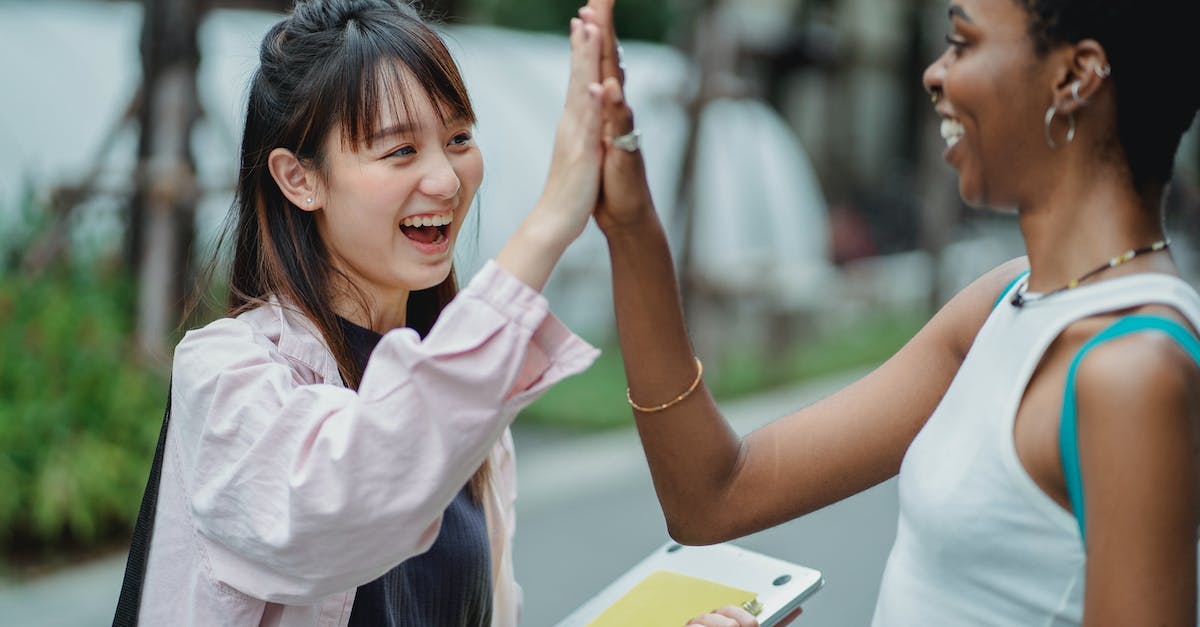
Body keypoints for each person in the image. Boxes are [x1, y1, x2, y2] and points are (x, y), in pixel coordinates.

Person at [579, 0, 1200, 624]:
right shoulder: (1005, 303)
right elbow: (713, 494)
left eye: (962, 43)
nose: (935, 73)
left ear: (1076, 78)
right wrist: (632, 226)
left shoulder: (1133, 370)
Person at [135, 0, 609, 623]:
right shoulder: (228, 378)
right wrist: (550, 221)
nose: (446, 179)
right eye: (400, 151)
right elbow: (355, 492)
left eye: (459, 138)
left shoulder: (460, 399)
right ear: (300, 179)